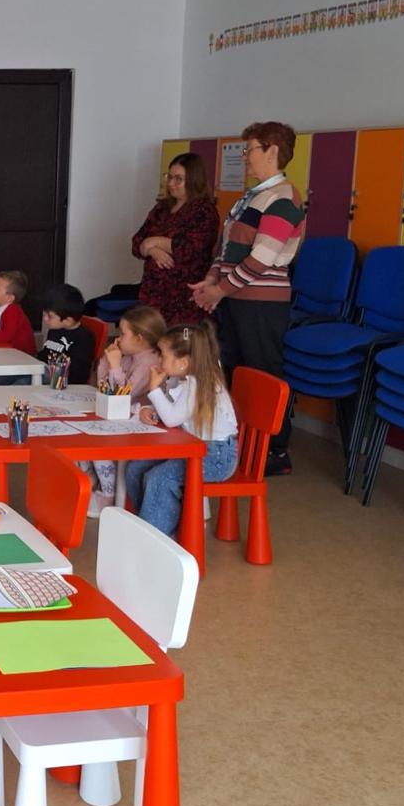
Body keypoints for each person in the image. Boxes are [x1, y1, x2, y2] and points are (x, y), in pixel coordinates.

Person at [189, 121, 304, 476]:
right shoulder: (252, 197)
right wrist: (212, 281)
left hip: (262, 303)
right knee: (236, 370)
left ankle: (275, 450)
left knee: (263, 372)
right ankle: (241, 442)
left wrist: (221, 289)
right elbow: (227, 249)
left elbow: (262, 258)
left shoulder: (283, 197)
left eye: (249, 149)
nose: (244, 157)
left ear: (272, 150)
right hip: (238, 297)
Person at [124, 321, 239, 539]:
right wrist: (151, 409)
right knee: (135, 468)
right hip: (194, 449)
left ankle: (156, 538)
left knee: (160, 478)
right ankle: (149, 525)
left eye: (163, 356)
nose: (159, 360)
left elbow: (172, 419)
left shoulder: (198, 384)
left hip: (216, 456)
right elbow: (173, 411)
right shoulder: (183, 379)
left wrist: (154, 389)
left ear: (183, 362)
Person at [80, 304, 166, 517]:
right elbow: (104, 387)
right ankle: (89, 479)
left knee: (98, 444)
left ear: (140, 338)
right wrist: (107, 362)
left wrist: (115, 365)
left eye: (123, 334)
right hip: (121, 417)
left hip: (141, 425)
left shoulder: (149, 363)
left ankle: (106, 493)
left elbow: (122, 394)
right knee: (81, 437)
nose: (118, 339)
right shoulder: (129, 356)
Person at [131, 152, 220, 326]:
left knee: (178, 341)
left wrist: (153, 241)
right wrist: (152, 249)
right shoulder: (162, 208)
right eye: (169, 177)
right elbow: (136, 243)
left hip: (183, 298)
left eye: (178, 179)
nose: (171, 183)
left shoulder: (204, 210)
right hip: (153, 295)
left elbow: (190, 249)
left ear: (193, 180)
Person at [36, 284, 98, 378]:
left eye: (50, 316)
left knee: (21, 382)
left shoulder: (84, 338)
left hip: (63, 381)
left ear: (68, 321)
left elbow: (79, 372)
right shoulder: (54, 330)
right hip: (45, 373)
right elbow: (45, 354)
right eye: (44, 314)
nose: (45, 319)